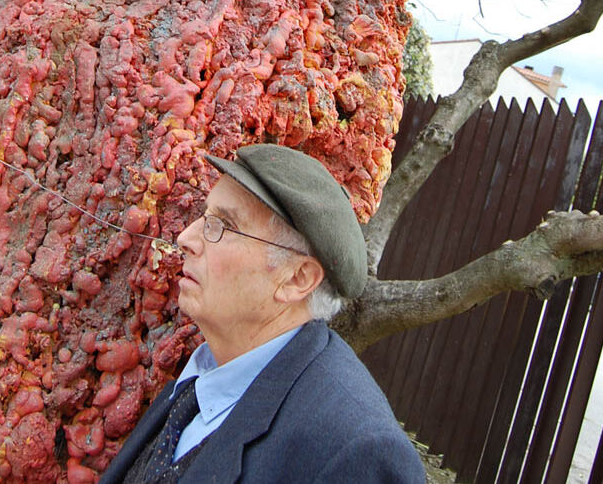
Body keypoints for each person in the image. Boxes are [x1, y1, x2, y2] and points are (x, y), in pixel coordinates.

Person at [100, 144, 425, 483]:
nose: (185, 238)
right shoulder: (207, 371)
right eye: (204, 215)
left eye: (222, 226)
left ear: (297, 279)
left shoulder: (355, 451)